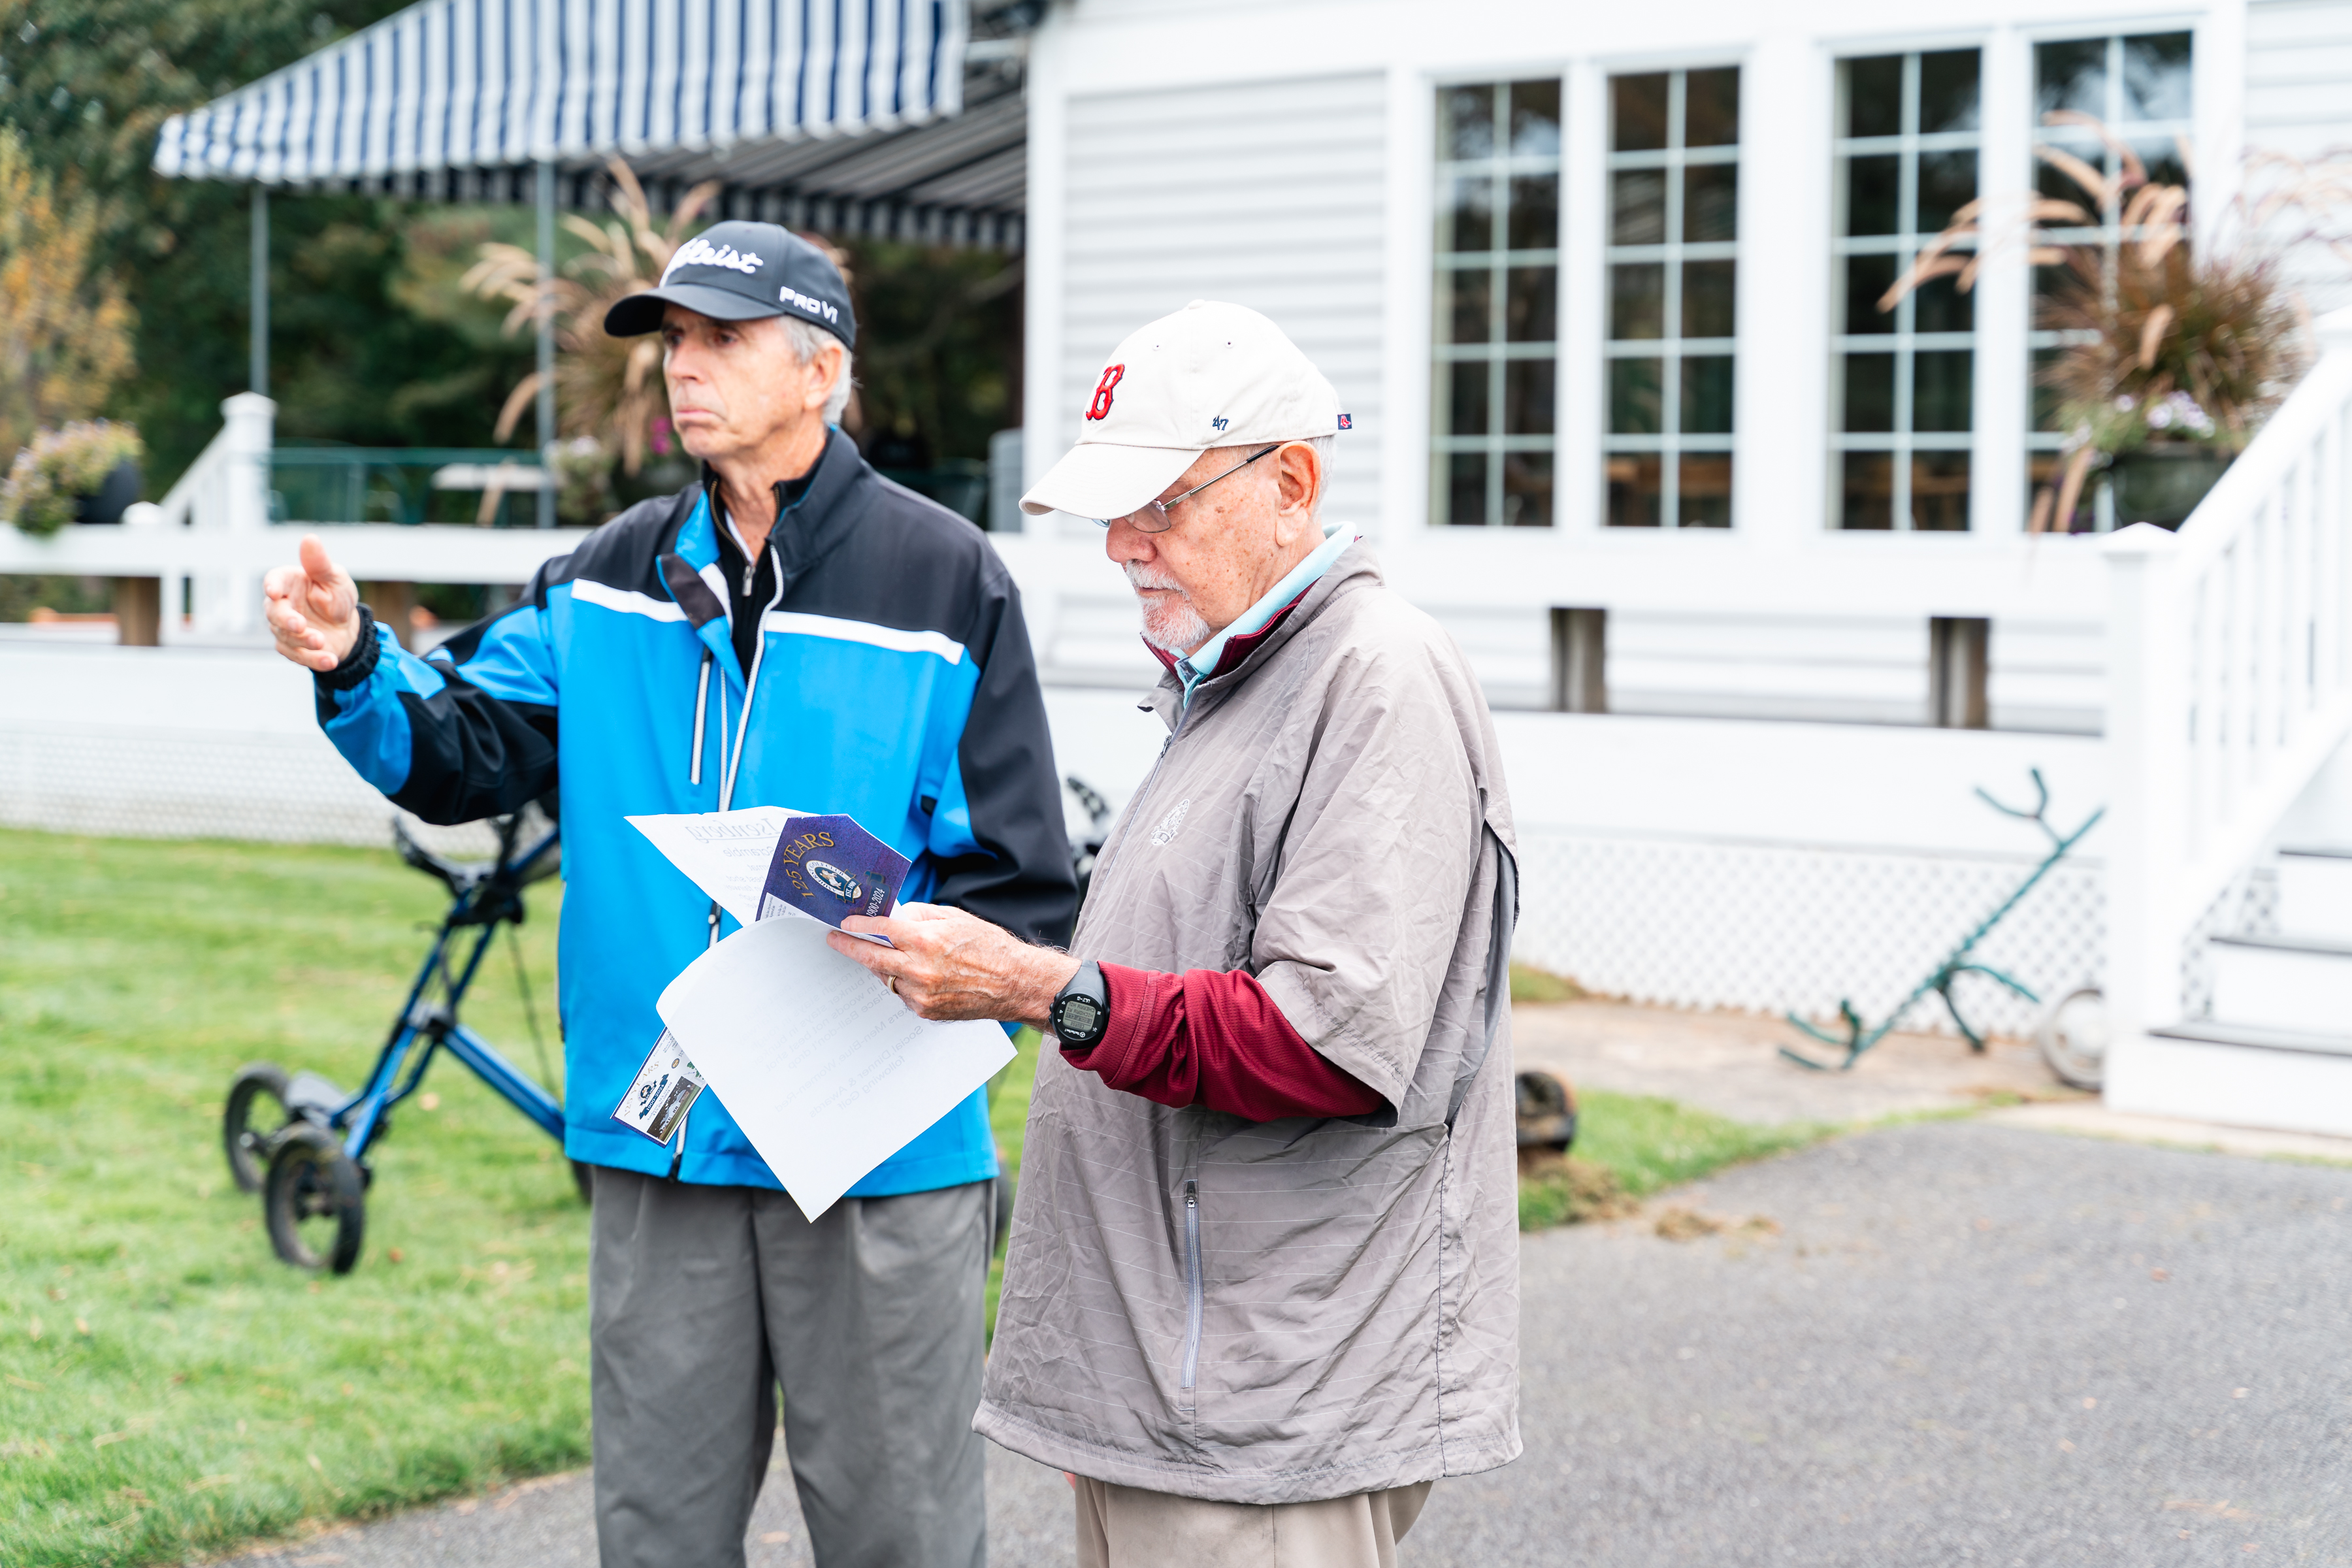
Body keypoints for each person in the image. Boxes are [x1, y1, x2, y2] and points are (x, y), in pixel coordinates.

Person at [261, 220, 1075, 1568]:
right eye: (674, 341)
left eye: (722, 340)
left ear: (822, 371)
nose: (683, 367)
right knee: (657, 1540)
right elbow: (460, 747)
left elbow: (1021, 888)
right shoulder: (606, 576)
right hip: (663, 1142)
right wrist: (354, 662)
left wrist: (901, 972)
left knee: (906, 1540)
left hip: (874, 1157)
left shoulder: (946, 580)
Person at [823, 299, 1522, 1568]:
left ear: (1292, 485)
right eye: (1112, 511)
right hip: (1177, 1392)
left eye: (1162, 505)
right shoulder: (1236, 679)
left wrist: (1040, 989)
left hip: (1264, 1407)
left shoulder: (1375, 675)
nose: (1123, 547)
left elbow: (1324, 1043)